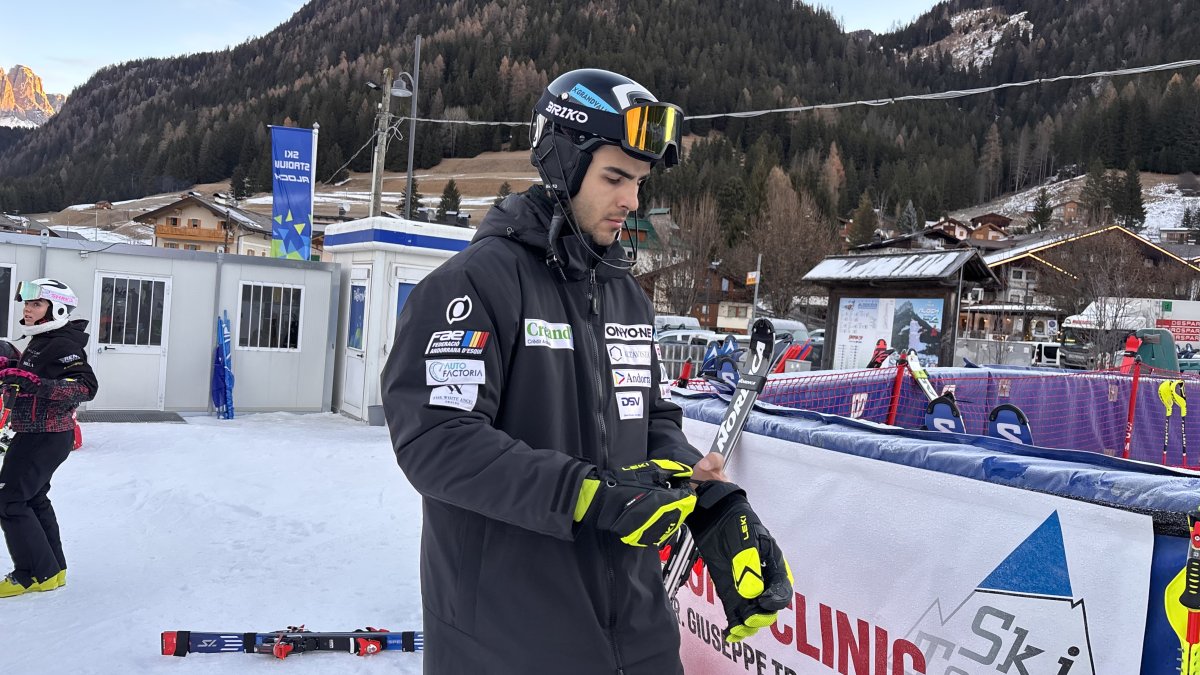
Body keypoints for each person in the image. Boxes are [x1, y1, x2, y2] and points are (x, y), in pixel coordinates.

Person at [381, 69, 791, 674]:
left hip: (638, 633)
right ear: (562, 164)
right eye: (615, 177)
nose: (632, 200)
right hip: (508, 639)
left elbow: (648, 421)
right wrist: (586, 495)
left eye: (639, 182)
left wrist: (712, 503)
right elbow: (438, 440)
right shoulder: (475, 284)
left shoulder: (625, 294)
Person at [0, 278, 98, 598]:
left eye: (36, 304)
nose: (27, 309)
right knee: (32, 498)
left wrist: (30, 382)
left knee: (11, 500)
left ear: (55, 308)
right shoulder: (42, 341)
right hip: (36, 432)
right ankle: (54, 570)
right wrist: (12, 367)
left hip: (45, 434)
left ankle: (32, 575)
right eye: (27, 303)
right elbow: (35, 377)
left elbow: (83, 387)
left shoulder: (62, 345)